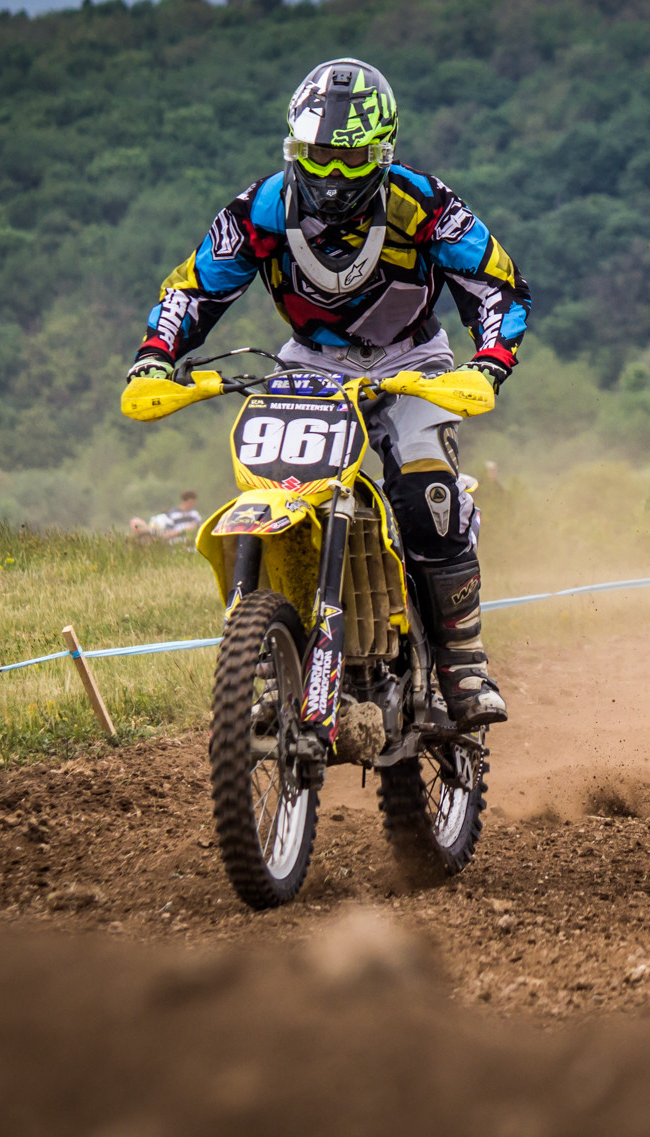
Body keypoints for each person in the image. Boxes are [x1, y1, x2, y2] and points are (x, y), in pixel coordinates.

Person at [123, 58, 531, 728]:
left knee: (425, 492)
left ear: (383, 153)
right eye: (319, 156)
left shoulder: (423, 202)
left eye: (352, 158)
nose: (334, 175)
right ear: (294, 148)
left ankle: (463, 663)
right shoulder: (261, 209)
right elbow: (194, 287)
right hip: (309, 362)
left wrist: (487, 365)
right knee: (278, 488)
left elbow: (498, 283)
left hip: (414, 360)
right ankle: (267, 660)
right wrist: (154, 357)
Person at [130, 490, 202, 542]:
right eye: (190, 503)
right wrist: (185, 530)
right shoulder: (172, 514)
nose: (192, 505)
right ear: (183, 501)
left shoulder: (195, 514)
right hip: (177, 547)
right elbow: (166, 535)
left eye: (193, 503)